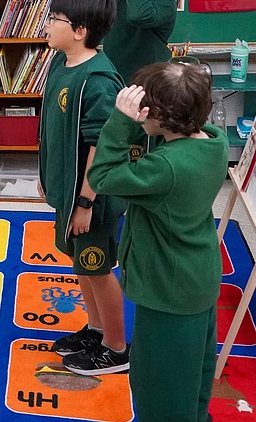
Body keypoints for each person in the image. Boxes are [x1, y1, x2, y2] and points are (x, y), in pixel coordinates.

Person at [88, 62, 228, 421]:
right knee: (192, 380)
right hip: (196, 280)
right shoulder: (214, 141)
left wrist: (121, 122)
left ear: (162, 116)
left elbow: (103, 176)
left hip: (168, 291)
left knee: (158, 389)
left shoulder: (165, 170)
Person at [37, 0, 129, 375]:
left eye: (54, 18)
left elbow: (102, 148)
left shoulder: (99, 81)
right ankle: (95, 329)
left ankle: (116, 348)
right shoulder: (61, 63)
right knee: (80, 263)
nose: (46, 24)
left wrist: (86, 202)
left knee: (97, 266)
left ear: (80, 31)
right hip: (69, 193)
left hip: (92, 200)